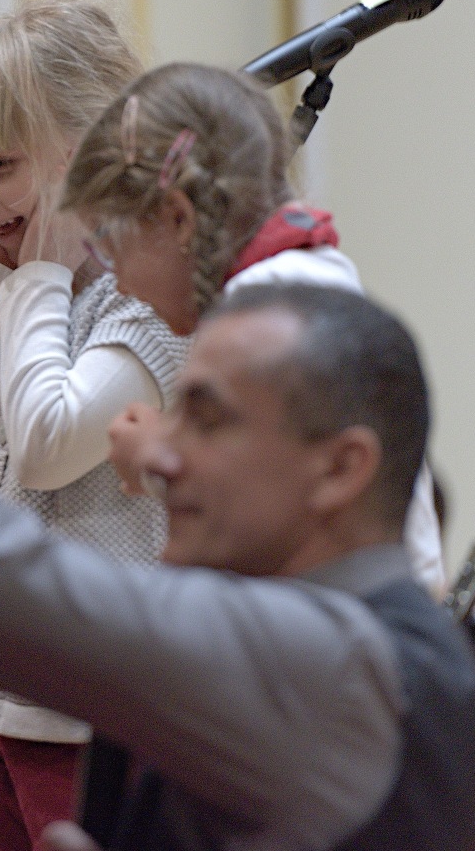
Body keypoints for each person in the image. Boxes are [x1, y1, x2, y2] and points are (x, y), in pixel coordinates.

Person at [0, 283, 475, 851]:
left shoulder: (331, 659)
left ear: (340, 468)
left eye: (205, 418)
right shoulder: (371, 649)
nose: (160, 455)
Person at [0, 0, 190, 851]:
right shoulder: (27, 291)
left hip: (79, 699)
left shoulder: (153, 303)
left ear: (96, 150)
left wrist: (33, 286)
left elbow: (50, 443)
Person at [60, 62, 446, 595]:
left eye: (110, 245)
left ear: (178, 218)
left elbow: (273, 500)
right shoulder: (289, 282)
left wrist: (156, 457)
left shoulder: (269, 311)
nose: (118, 284)